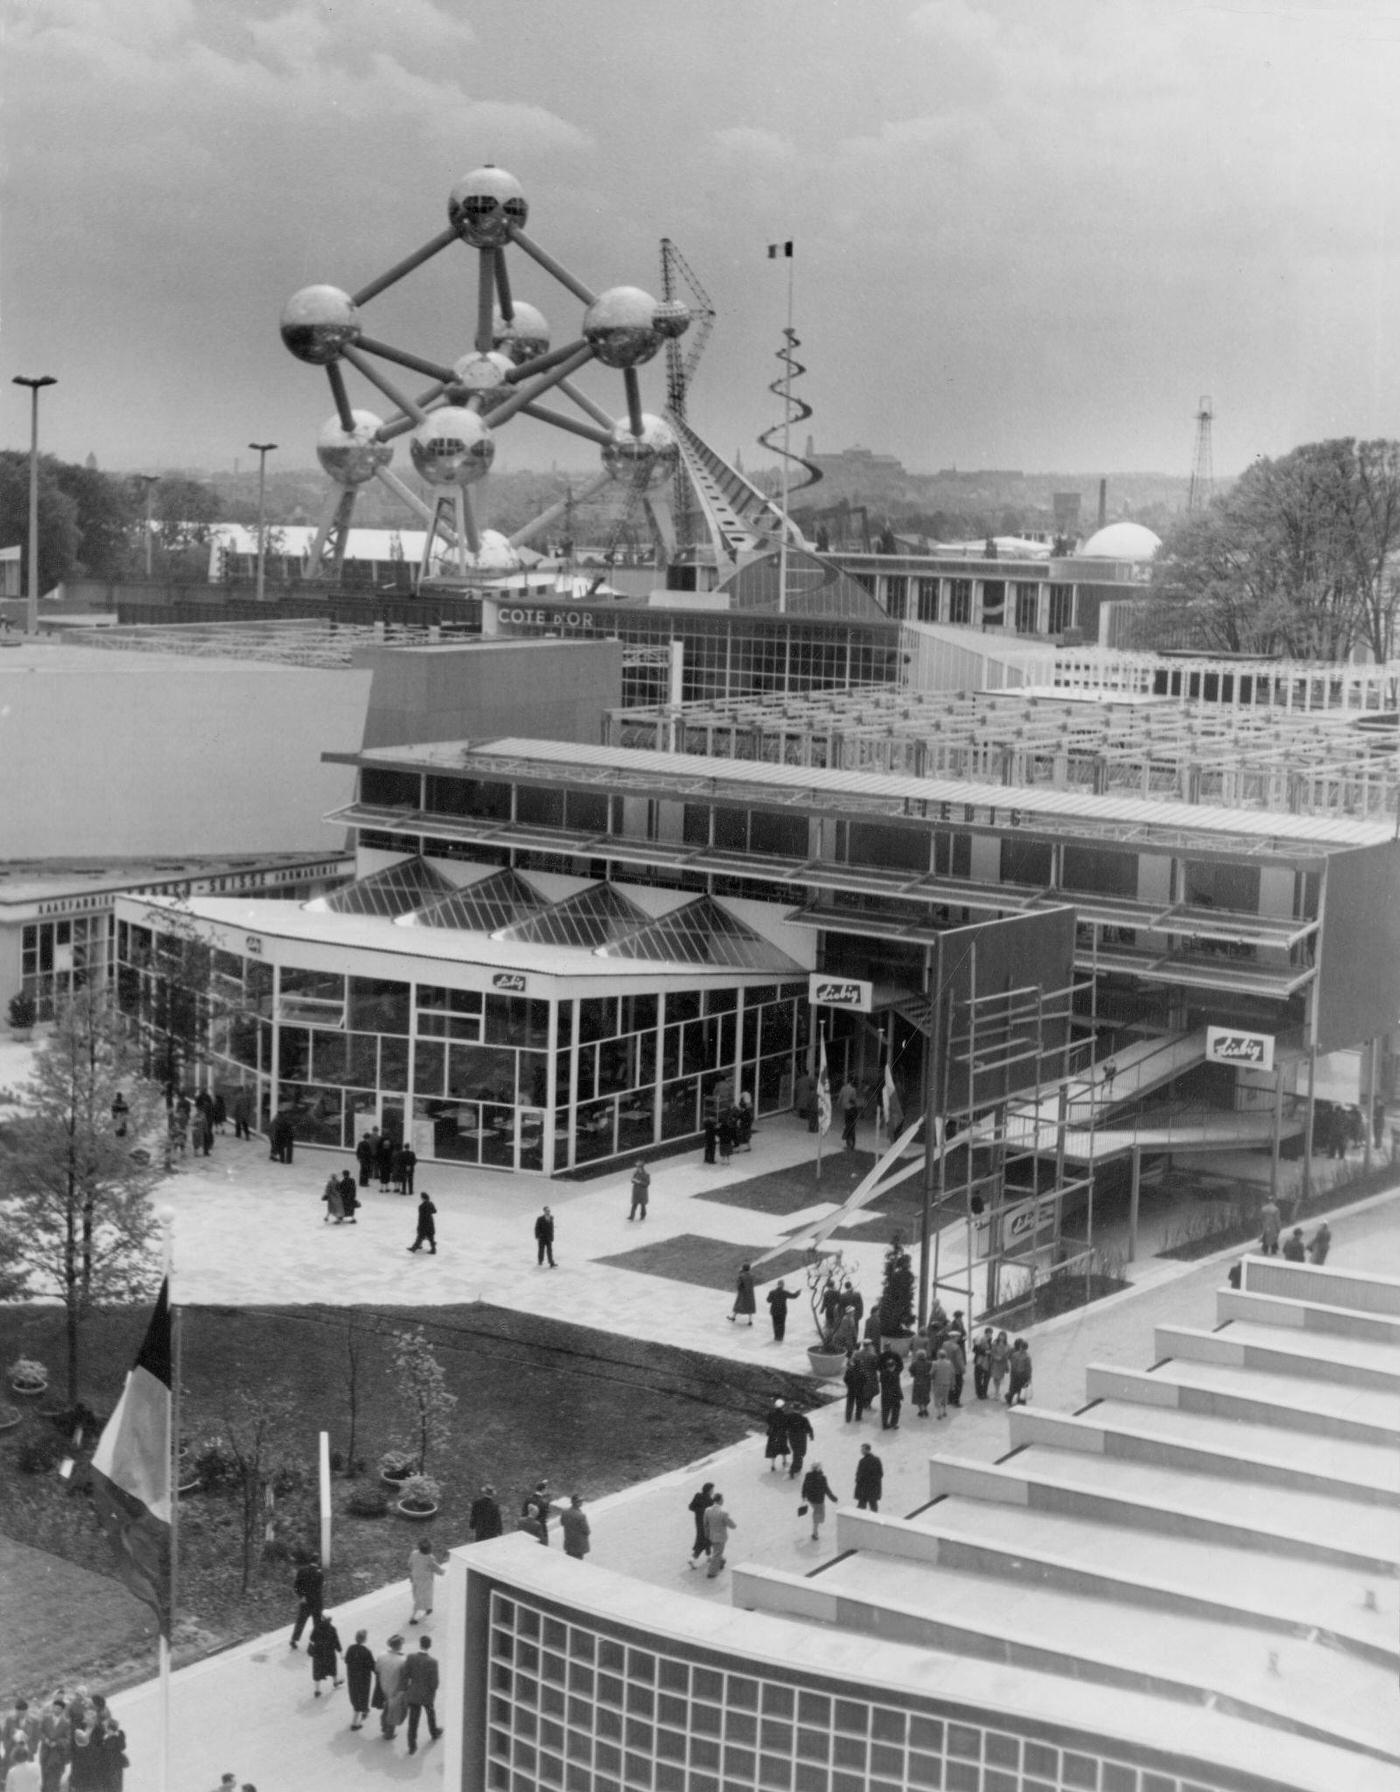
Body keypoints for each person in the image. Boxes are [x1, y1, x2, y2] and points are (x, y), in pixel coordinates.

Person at [402, 1635, 442, 1755]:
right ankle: (434, 1732)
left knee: (413, 1720)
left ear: (420, 1644)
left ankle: (412, 1746)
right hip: (427, 1695)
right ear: (429, 1646)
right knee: (430, 1714)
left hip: (413, 1693)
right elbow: (435, 1683)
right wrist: (432, 1690)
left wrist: (408, 1688)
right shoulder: (433, 1662)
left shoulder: (410, 1657)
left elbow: (405, 1674)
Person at [375, 1634, 408, 1742]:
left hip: (383, 1686)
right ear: (399, 1646)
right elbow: (405, 1678)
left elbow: (377, 1670)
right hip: (395, 1689)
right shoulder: (402, 1660)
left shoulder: (382, 1655)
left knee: (387, 1706)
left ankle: (384, 1725)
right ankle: (389, 1733)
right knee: (394, 1711)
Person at [289, 1557, 324, 1648]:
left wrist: (301, 1596)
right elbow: (319, 1589)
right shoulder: (319, 1574)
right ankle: (315, 1641)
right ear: (318, 1561)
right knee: (317, 1622)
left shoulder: (302, 1571)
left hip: (305, 1601)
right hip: (316, 1602)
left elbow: (296, 1586)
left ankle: (294, 1639)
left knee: (300, 1621)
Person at [344, 1629, 376, 1730]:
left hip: (352, 1677)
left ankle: (364, 1710)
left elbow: (346, 1660)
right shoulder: (366, 1651)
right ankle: (355, 1723)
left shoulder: (350, 1648)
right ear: (365, 1640)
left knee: (355, 1695)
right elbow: (372, 1666)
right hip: (363, 1679)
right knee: (362, 1696)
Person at [408, 1538, 445, 1624]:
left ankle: (428, 1608)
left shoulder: (414, 1554)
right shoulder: (429, 1558)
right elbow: (435, 1567)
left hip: (415, 1579)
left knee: (418, 1596)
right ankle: (414, 1618)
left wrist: (413, 1572)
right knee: (425, 1597)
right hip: (426, 1581)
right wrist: (442, 1572)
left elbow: (410, 1564)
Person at [799, 1461, 837, 1543]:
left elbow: (804, 1486)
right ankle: (815, 1533)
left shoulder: (808, 1475)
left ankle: (815, 1531)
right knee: (818, 1515)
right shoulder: (822, 1478)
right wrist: (833, 1498)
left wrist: (804, 1496)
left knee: (817, 1513)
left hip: (811, 1499)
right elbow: (827, 1490)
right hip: (819, 1500)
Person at [308, 1612, 343, 1696]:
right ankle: (335, 1682)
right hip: (329, 1653)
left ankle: (317, 1690)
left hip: (318, 1654)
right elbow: (336, 1642)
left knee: (317, 1672)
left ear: (322, 1618)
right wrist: (340, 1651)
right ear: (330, 1620)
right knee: (332, 1668)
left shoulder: (316, 1627)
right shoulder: (332, 1629)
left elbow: (311, 1638)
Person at [703, 1493, 736, 1578]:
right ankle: (712, 1572)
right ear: (720, 1500)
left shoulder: (707, 1510)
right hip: (721, 1537)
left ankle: (722, 1561)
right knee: (717, 1553)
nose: (723, 1501)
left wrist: (707, 1533)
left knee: (716, 1550)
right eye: (722, 1499)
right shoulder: (723, 1512)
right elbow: (732, 1525)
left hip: (712, 1535)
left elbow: (705, 1523)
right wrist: (734, 1525)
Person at [687, 1481, 716, 1567]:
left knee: (706, 1539)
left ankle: (709, 1556)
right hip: (707, 1524)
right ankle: (693, 1558)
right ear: (709, 1490)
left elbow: (691, 1507)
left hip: (698, 1523)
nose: (713, 1491)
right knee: (703, 1541)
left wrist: (698, 1512)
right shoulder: (710, 1501)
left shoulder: (697, 1496)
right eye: (712, 1489)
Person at [784, 1406, 814, 1479]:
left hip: (792, 1438)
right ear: (800, 1410)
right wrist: (811, 1435)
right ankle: (793, 1469)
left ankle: (797, 1467)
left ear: (793, 1409)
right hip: (801, 1438)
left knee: (796, 1452)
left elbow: (784, 1426)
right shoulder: (803, 1419)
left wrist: (786, 1433)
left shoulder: (789, 1417)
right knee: (801, 1453)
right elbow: (808, 1428)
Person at [877, 1347, 903, 1430]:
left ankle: (884, 1424)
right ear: (894, 1366)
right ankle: (894, 1424)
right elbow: (897, 1386)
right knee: (896, 1410)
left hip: (885, 1395)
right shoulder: (896, 1375)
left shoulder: (883, 1374)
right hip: (895, 1395)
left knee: (885, 1410)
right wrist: (901, 1395)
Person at [560, 1493, 591, 1560]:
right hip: (578, 1544)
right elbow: (587, 1531)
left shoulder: (565, 1512)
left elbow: (562, 1523)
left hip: (569, 1542)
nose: (581, 1503)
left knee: (569, 1559)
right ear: (577, 1503)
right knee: (578, 1561)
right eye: (580, 1501)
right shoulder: (581, 1516)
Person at [854, 1442, 883, 1512]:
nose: (861, 1451)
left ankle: (858, 1521)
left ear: (867, 1450)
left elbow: (859, 1475)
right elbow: (880, 1473)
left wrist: (860, 1480)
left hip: (865, 1488)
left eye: (862, 1449)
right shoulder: (876, 1460)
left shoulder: (863, 1461)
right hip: (872, 1488)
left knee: (861, 1507)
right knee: (873, 1507)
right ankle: (875, 1521)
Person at [763, 1398, 790, 1472]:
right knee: (783, 1448)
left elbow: (768, 1421)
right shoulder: (785, 1415)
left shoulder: (771, 1414)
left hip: (773, 1435)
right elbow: (787, 1425)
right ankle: (784, 1461)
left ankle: (773, 1465)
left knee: (772, 1450)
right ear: (782, 1407)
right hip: (782, 1435)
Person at [1006, 1338, 1033, 1407]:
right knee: (1021, 1390)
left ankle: (1009, 1399)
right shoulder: (1027, 1357)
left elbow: (1012, 1364)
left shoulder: (1015, 1354)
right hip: (1022, 1375)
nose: (1022, 1349)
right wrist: (1029, 1378)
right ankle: (1020, 1402)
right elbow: (1028, 1369)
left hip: (1015, 1374)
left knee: (1013, 1388)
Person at [931, 1347, 955, 1420]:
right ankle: (944, 1411)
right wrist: (952, 1384)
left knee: (937, 1398)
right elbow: (952, 1374)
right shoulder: (949, 1363)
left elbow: (931, 1373)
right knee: (945, 1398)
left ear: (938, 1355)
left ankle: (939, 1413)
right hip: (946, 1383)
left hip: (938, 1383)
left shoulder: (935, 1363)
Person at [909, 1348, 932, 1418]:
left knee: (918, 1397)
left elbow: (910, 1370)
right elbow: (932, 1371)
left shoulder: (914, 1363)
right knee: (925, 1396)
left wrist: (913, 1375)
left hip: (917, 1382)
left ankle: (921, 1411)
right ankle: (925, 1409)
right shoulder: (929, 1363)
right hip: (926, 1382)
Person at [838, 1077, 859, 1150]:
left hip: (846, 1110)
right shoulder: (853, 1090)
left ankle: (848, 1144)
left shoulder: (843, 1088)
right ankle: (851, 1144)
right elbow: (854, 1100)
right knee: (851, 1127)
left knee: (847, 1126)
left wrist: (840, 1106)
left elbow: (840, 1099)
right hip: (852, 1109)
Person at [972, 1327, 994, 1400]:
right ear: (986, 1333)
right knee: (979, 1378)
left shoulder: (990, 1340)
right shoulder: (980, 1339)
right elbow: (975, 1349)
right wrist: (985, 1352)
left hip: (987, 1362)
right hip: (980, 1362)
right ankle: (980, 1394)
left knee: (986, 1379)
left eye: (991, 1333)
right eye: (988, 1333)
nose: (990, 1335)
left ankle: (984, 1393)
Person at [989, 1330, 1010, 1399]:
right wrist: (996, 1357)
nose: (1002, 1337)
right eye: (1001, 1335)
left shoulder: (1007, 1345)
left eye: (1003, 1336)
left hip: (1002, 1364)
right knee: (995, 1377)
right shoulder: (995, 1343)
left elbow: (1007, 1355)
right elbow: (992, 1352)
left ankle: (997, 1391)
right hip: (996, 1363)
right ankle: (996, 1392)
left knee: (999, 1378)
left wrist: (1004, 1359)